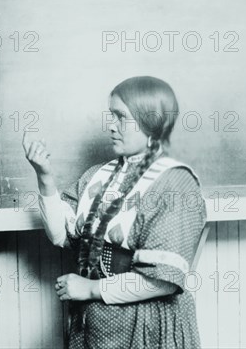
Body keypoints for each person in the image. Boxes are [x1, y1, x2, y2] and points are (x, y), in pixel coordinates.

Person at [23, 76, 206, 348]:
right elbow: (60, 235)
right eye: (111, 116)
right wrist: (45, 176)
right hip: (96, 321)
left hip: (147, 324)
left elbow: (165, 281)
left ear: (151, 120)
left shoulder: (175, 184)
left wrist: (91, 289)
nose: (111, 126)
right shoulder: (99, 175)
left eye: (121, 117)